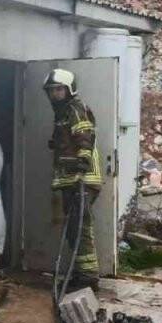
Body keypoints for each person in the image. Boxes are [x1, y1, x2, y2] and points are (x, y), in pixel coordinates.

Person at [45, 68, 103, 293]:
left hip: (82, 180)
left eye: (59, 89)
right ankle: (80, 275)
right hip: (71, 180)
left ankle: (88, 278)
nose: (54, 94)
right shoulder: (62, 113)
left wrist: (82, 161)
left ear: (69, 89)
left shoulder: (75, 109)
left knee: (81, 229)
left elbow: (86, 137)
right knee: (73, 229)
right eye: (51, 91)